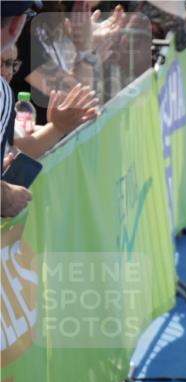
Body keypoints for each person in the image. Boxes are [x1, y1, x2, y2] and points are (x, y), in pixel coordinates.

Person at [2, 43, 99, 159]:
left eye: (11, 64)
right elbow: (10, 152)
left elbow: (21, 135)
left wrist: (58, 127)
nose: (7, 71)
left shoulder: (6, 100)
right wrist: (57, 128)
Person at [1, 0, 40, 219]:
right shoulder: (2, 92)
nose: (7, 72)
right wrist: (5, 195)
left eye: (11, 64)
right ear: (16, 24)